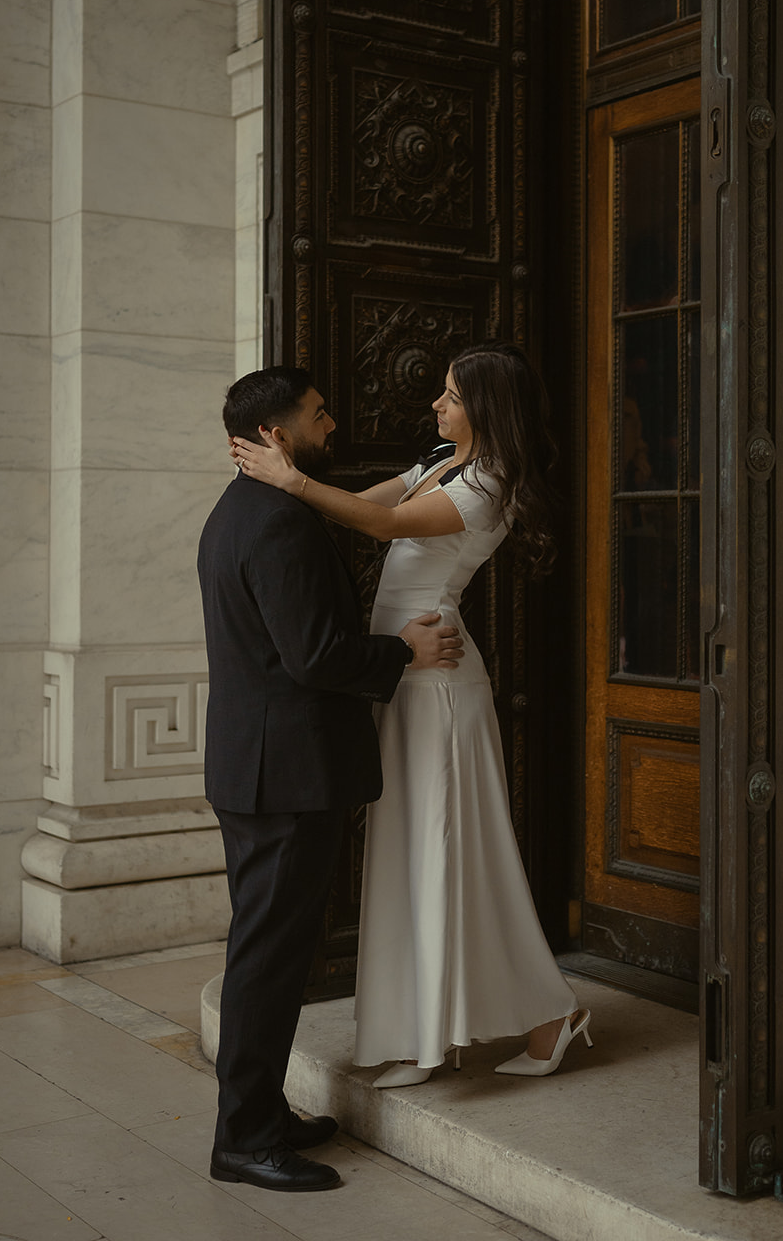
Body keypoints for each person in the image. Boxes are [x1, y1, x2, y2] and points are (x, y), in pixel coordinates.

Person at [230, 343, 592, 1087]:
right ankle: (436, 1028)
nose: (437, 404)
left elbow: (382, 526)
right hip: (404, 672)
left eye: (452, 396)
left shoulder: (487, 484)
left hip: (440, 683)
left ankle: (509, 1021)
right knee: (414, 854)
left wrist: (290, 478)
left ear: (486, 408)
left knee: (445, 853)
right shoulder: (440, 459)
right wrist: (291, 482)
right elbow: (373, 497)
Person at [198, 366, 463, 1194]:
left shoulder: (243, 507)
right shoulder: (276, 522)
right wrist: (404, 652)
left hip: (261, 765)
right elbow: (314, 657)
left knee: (268, 954)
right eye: (318, 416)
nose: (333, 423)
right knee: (266, 962)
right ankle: (242, 1139)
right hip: (284, 775)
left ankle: (262, 1116)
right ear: (276, 435)